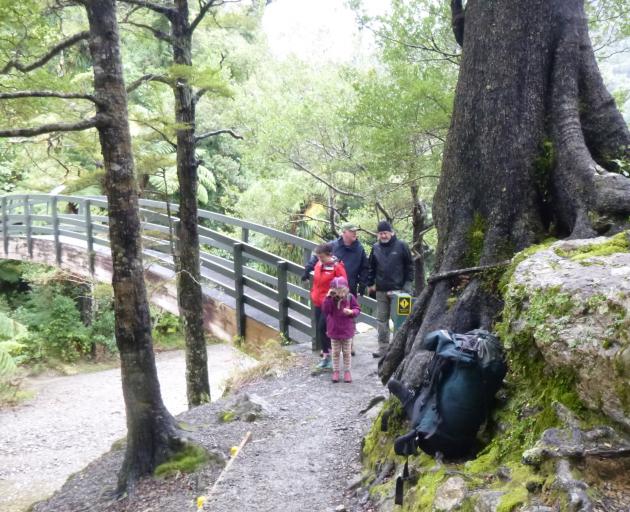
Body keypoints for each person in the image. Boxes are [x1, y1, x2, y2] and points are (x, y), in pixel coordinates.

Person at [367, 220, 414, 358]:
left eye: (385, 233)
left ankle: (398, 348)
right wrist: (370, 284)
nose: (383, 236)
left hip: (399, 291)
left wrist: (407, 285)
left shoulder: (402, 246)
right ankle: (383, 348)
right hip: (381, 290)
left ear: (391, 232)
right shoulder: (375, 247)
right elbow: (371, 267)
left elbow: (410, 266)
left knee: (400, 320)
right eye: (380, 233)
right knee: (382, 320)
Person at [302, 222, 369, 298]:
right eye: (351, 231)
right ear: (343, 232)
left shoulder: (359, 249)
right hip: (332, 291)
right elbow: (317, 257)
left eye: (355, 231)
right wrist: (306, 271)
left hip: (349, 291)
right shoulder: (333, 245)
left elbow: (365, 268)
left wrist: (362, 286)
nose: (354, 233)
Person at [310, 243, 347, 369]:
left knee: (323, 328)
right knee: (320, 329)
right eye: (318, 257)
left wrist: (333, 297)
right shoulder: (319, 264)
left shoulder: (337, 267)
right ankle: (326, 356)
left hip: (329, 303)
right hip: (317, 301)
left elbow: (343, 285)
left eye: (322, 257)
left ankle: (330, 356)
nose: (319, 260)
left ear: (329, 255)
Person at [322, 276, 360, 383]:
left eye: (343, 291)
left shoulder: (350, 297)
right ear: (333, 290)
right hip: (334, 331)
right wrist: (328, 297)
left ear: (346, 289)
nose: (341, 294)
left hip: (347, 331)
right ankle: (336, 371)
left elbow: (357, 309)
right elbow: (326, 310)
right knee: (335, 352)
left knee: (347, 352)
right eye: (338, 291)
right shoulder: (331, 299)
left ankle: (347, 371)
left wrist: (352, 312)